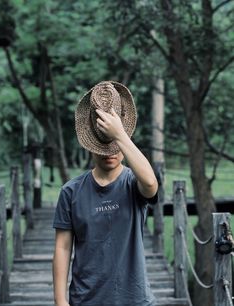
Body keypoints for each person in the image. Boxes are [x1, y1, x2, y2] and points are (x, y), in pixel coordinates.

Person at [52, 81, 159, 306]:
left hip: (134, 299)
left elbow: (151, 183)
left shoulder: (133, 182)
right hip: (86, 299)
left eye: (115, 146)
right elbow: (62, 248)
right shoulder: (71, 191)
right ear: (90, 145)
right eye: (103, 147)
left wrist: (119, 135)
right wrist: (60, 301)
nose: (109, 154)